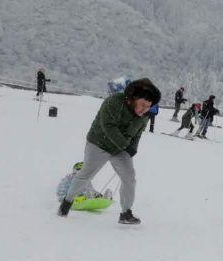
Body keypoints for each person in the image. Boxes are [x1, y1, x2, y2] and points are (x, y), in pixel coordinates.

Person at [57, 77, 160, 224]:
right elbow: (109, 127)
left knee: (129, 178)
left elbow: (138, 132)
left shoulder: (145, 115)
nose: (145, 109)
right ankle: (66, 203)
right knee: (86, 174)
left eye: (148, 106)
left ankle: (126, 213)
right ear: (133, 98)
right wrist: (126, 145)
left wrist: (133, 148)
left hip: (120, 148)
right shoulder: (115, 102)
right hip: (99, 143)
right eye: (143, 104)